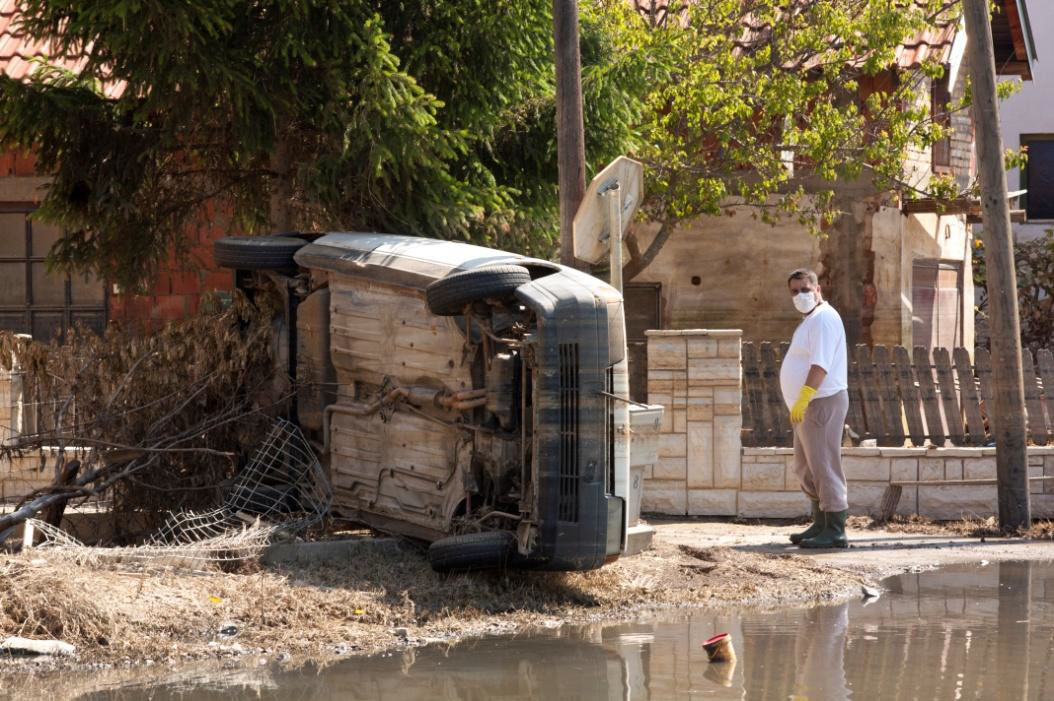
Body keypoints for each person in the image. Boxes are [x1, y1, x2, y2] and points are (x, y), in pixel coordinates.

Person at [779, 269, 849, 548]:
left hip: (821, 401)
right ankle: (820, 523)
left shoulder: (823, 319)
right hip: (807, 406)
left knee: (824, 465)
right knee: (806, 466)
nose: (800, 296)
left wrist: (806, 395)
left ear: (818, 289)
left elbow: (820, 364)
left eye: (805, 290)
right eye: (794, 291)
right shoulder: (811, 320)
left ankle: (835, 530)